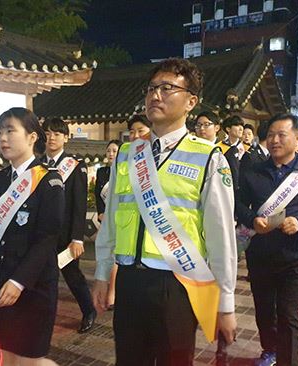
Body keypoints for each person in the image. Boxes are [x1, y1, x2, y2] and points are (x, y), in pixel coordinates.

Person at [92, 58, 237, 365]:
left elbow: (221, 236)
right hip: (130, 282)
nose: (155, 95)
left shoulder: (208, 157)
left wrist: (225, 303)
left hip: (178, 285)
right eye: (152, 88)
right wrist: (103, 273)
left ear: (191, 102)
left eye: (167, 88)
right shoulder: (128, 155)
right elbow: (112, 222)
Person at [236, 113, 298, 366]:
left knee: (289, 316)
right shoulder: (253, 171)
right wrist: (250, 219)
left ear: (297, 138)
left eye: (281, 135)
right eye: (270, 135)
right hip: (260, 256)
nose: (275, 140)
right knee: (265, 312)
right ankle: (269, 350)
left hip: (295, 258)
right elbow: (237, 204)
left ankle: (287, 361)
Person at [0, 107, 63, 365]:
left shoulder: (48, 180)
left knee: (28, 358)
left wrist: (19, 281)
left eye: (10, 130)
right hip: (2, 284)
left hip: (33, 286)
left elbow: (48, 238)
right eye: (0, 132)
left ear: (31, 137)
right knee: (5, 355)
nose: (3, 138)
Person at [41, 117, 97, 333]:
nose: (52, 138)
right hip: (43, 234)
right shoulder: (38, 165)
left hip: (66, 236)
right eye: (48, 133)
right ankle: (44, 316)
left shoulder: (75, 166)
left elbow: (79, 204)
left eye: (57, 133)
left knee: (73, 277)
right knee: (42, 277)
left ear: (66, 137)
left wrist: (77, 238)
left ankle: (89, 310)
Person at [94, 139, 123, 310]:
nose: (111, 154)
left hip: (120, 219)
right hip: (104, 217)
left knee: (116, 257)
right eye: (109, 151)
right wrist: (100, 212)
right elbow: (98, 194)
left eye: (114, 151)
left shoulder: (123, 169)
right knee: (107, 253)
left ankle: (113, 291)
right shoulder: (102, 172)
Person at [217, 116, 244, 192]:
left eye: (241, 126)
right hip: (223, 187)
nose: (241, 128)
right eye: (237, 125)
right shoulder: (219, 147)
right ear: (228, 129)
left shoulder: (246, 149)